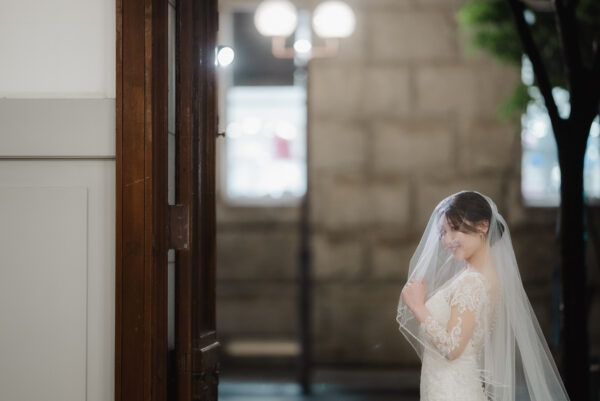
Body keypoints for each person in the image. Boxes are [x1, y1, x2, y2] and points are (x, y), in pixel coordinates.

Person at [396, 191, 570, 401]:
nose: (447, 239)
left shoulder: (472, 283)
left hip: (452, 392)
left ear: (483, 226)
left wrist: (418, 308)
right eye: (442, 232)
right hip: (451, 387)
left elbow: (452, 348)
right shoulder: (484, 277)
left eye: (455, 229)